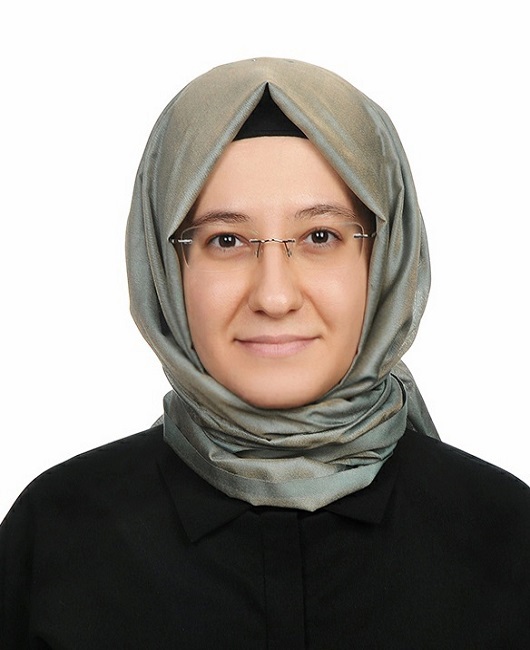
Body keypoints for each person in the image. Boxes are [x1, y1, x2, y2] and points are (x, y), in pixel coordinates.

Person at [1, 57, 529, 649]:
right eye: (226, 239)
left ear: (383, 261)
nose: (275, 296)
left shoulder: (506, 535)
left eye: (321, 236)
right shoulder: (58, 534)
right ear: (167, 267)